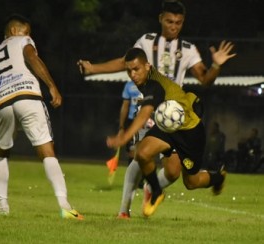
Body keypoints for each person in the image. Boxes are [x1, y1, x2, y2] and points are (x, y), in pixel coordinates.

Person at [78, 0, 236, 219]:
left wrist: (216, 65)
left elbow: (205, 79)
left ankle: (214, 179)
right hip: (160, 115)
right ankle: (126, 209)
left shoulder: (188, 49)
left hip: (179, 118)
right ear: (161, 18)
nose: (174, 26)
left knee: (181, 176)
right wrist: (94, 68)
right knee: (141, 155)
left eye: (178, 23)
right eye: (170, 21)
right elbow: (125, 62)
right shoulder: (147, 42)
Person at [0, 14, 83, 220]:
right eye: (27, 32)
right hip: (28, 97)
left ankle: (3, 207)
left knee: (1, 153)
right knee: (47, 151)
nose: (29, 36)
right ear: (15, 31)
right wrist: (52, 86)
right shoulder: (23, 41)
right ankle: (65, 206)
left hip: (3, 103)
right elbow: (32, 58)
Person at [107, 47, 226, 217]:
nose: (132, 74)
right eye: (129, 70)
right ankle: (156, 192)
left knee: (191, 182)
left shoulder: (156, 81)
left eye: (136, 69)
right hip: (168, 125)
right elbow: (121, 62)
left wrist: (124, 137)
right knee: (142, 153)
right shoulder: (146, 73)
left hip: (190, 132)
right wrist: (92, 68)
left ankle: (218, 178)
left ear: (147, 66)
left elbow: (146, 112)